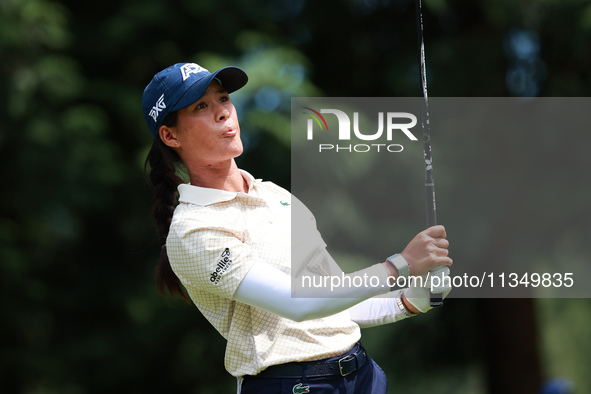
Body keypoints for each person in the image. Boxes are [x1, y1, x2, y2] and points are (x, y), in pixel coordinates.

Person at [142, 62, 452, 394]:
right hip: (292, 386)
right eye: (201, 106)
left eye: (223, 99)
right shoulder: (193, 230)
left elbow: (333, 294)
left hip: (363, 377)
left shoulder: (275, 194)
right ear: (170, 135)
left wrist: (408, 301)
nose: (222, 113)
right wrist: (399, 265)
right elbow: (299, 302)